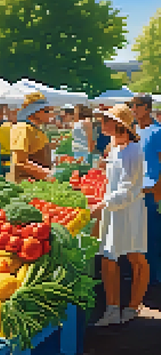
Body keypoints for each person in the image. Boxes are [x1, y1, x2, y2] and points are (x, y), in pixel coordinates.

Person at [91, 104, 149, 326]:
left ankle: (133, 306)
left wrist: (102, 204)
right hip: (113, 210)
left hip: (129, 211)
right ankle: (113, 308)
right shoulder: (116, 148)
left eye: (106, 120)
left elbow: (128, 190)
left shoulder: (134, 151)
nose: (102, 124)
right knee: (108, 258)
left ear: (119, 125)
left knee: (135, 257)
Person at [130, 94, 161, 285]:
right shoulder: (133, 131)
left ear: (147, 108)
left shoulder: (158, 132)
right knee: (138, 240)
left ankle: (154, 283)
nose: (133, 109)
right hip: (135, 192)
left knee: (152, 240)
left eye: (137, 106)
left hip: (151, 193)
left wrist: (158, 193)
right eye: (132, 106)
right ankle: (142, 280)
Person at [8, 92, 55, 182]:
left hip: (39, 183)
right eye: (46, 111)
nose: (50, 114)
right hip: (28, 184)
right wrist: (47, 174)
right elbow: (19, 161)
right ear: (34, 112)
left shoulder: (36, 129)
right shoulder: (22, 128)